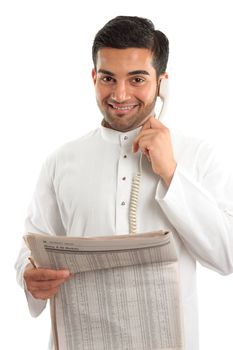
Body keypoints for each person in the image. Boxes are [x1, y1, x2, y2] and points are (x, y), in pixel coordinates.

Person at [15, 15, 233, 350]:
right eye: (108, 78)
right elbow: (31, 248)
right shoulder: (60, 161)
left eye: (137, 79)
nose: (119, 94)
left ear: (161, 83)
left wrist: (171, 173)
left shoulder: (197, 156)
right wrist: (27, 277)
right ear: (93, 78)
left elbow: (226, 255)